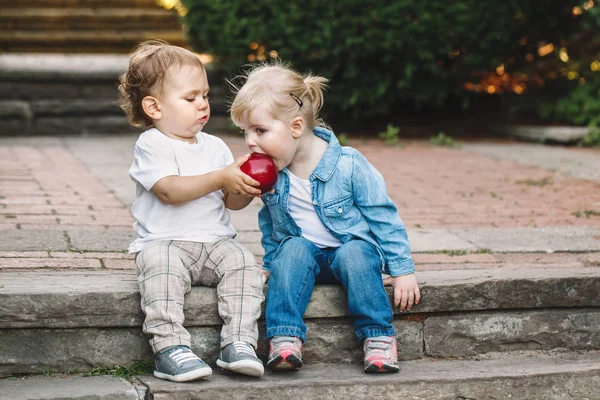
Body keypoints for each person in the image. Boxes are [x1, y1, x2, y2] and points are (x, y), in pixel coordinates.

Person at [229, 63, 421, 373]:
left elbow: (384, 217)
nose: (250, 141)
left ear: (295, 127)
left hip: (349, 252)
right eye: (246, 132)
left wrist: (402, 270)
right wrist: (270, 263)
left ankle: (378, 337)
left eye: (260, 130)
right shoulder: (274, 173)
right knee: (290, 250)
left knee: (357, 253)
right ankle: (285, 338)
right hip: (306, 257)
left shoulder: (348, 164)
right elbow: (271, 221)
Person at [118, 40, 266, 382]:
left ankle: (239, 343)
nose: (203, 104)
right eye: (190, 98)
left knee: (245, 265)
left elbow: (230, 201)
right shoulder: (152, 144)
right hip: (165, 242)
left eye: (205, 95)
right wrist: (220, 177)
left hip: (215, 243)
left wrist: (244, 187)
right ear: (154, 107)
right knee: (161, 271)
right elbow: (169, 191)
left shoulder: (214, 145)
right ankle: (170, 348)